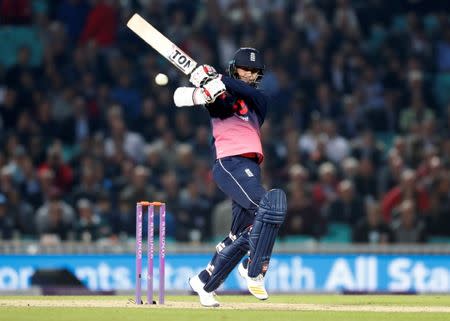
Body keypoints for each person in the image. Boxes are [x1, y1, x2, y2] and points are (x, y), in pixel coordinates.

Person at [173, 48, 287, 307]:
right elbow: (180, 98)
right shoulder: (219, 99)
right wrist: (203, 90)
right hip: (230, 162)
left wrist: (218, 79)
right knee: (268, 207)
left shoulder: (259, 99)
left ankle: (204, 282)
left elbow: (243, 92)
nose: (250, 74)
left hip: (250, 165)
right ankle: (253, 269)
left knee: (244, 233)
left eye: (255, 71)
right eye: (246, 69)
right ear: (235, 68)